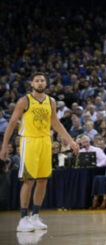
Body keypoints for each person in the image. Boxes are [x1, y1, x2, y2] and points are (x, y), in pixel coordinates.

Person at [0, 73, 79, 232]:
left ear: (46, 83)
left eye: (42, 80)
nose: (40, 82)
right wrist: (4, 145)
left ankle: (35, 216)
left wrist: (70, 140)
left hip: (45, 141)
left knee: (43, 180)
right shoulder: (24, 101)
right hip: (29, 141)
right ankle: (23, 218)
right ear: (32, 83)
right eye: (37, 80)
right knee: (29, 180)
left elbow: (55, 123)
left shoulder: (51, 101)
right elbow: (12, 123)